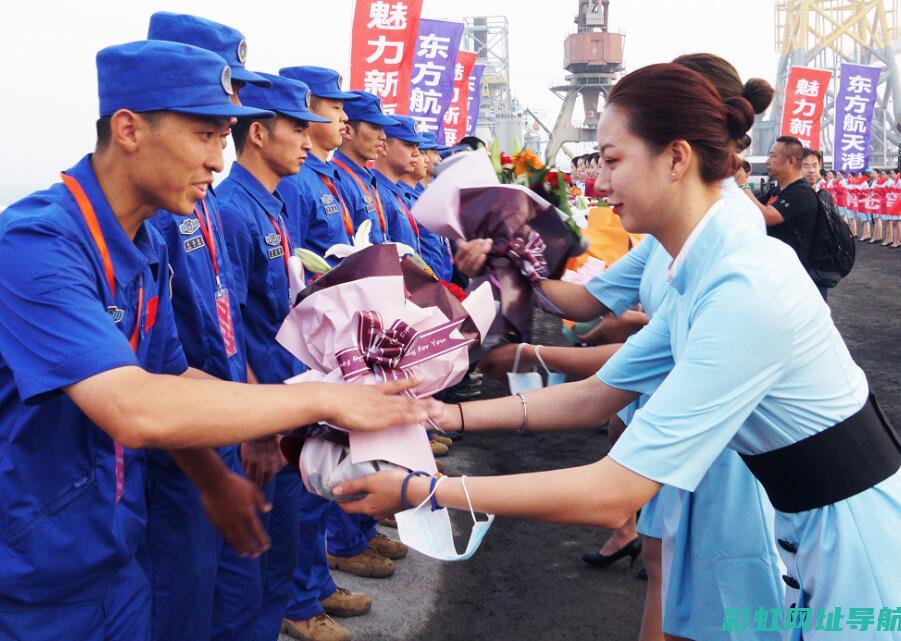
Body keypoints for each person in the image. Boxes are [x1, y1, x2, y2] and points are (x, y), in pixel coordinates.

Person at [335, 63, 901, 641]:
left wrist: (426, 490)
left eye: (611, 161)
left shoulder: (743, 284)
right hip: (808, 522)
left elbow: (614, 493)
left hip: (851, 543)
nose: (599, 183)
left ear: (676, 158)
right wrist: (434, 413)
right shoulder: (704, 267)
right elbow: (597, 395)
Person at [0, 39, 437, 641]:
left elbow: (174, 375)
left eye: (224, 134)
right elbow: (131, 405)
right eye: (205, 134)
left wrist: (216, 479)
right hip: (38, 577)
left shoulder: (145, 242)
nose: (217, 158)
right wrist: (321, 402)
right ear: (129, 129)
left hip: (115, 549)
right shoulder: (35, 246)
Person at [215, 73, 383, 641]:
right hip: (268, 402)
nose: (308, 138)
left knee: (291, 524)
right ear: (259, 134)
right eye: (297, 126)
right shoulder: (233, 209)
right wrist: (260, 412)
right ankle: (298, 605)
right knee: (259, 552)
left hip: (295, 391)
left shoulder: (270, 206)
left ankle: (300, 599)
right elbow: (231, 324)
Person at [142, 14, 276, 641]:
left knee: (233, 593)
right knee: (181, 606)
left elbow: (227, 324)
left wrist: (254, 413)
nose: (235, 111)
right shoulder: (158, 210)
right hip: (178, 454)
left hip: (221, 425)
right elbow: (156, 374)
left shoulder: (205, 205)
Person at [331, 90, 398, 244]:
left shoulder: (367, 179)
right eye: (375, 127)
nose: (383, 136)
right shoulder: (337, 179)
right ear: (347, 130)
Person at [746, 136, 819, 273]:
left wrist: (743, 185)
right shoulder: (777, 190)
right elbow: (749, 207)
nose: (767, 162)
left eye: (772, 156)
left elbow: (767, 216)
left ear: (790, 161)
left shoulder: (801, 193)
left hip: (789, 273)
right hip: (772, 268)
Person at [372, 116, 429, 252]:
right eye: (409, 145)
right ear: (384, 147)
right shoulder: (375, 191)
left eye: (417, 147)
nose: (416, 153)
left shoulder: (397, 192)